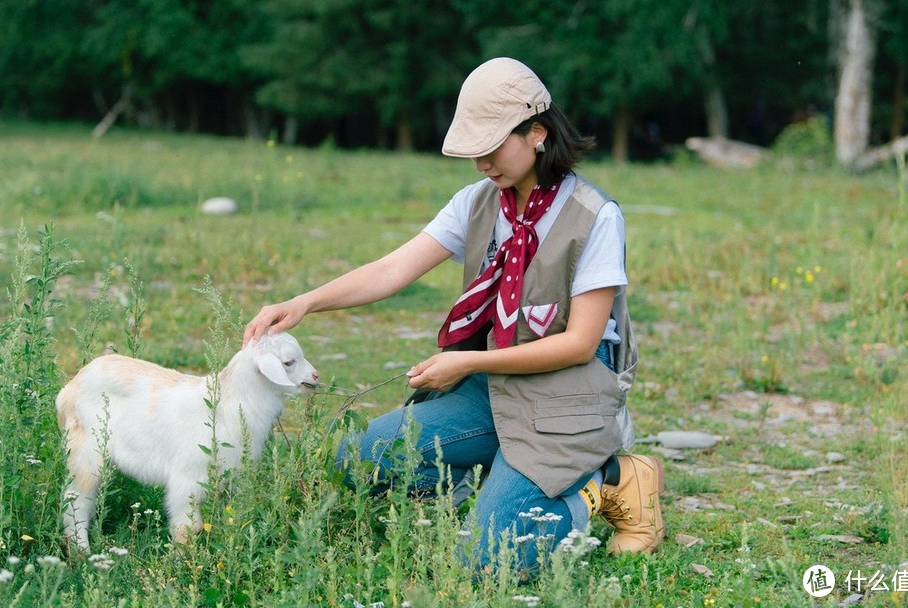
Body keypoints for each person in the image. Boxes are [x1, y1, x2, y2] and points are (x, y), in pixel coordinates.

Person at [243, 57, 664, 574]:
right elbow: (392, 268)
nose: (481, 164)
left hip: (566, 390)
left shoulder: (594, 216)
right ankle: (508, 477)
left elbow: (579, 343)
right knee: (360, 458)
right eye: (473, 153)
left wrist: (465, 365)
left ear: (536, 133)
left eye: (490, 149)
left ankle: (610, 481)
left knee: (487, 562)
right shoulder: (479, 202)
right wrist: (303, 302)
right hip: (495, 384)